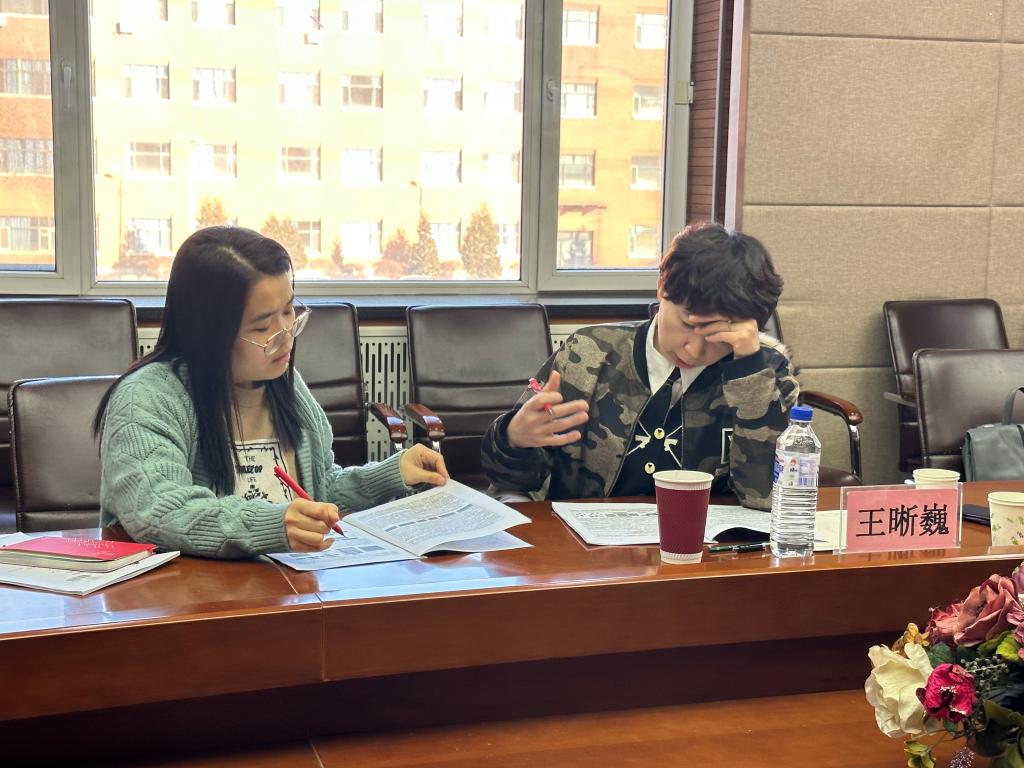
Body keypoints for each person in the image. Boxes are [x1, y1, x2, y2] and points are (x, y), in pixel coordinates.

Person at [95, 226, 448, 558]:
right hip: (192, 593)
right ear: (209, 332)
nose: (286, 336)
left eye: (289, 311)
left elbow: (318, 490)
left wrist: (390, 474)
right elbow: (160, 511)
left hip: (288, 586)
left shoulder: (284, 383)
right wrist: (271, 525)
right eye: (263, 326)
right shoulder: (147, 399)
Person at [481, 222, 799, 509]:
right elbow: (507, 479)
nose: (694, 350)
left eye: (719, 337)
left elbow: (766, 498)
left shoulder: (767, 372)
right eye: (689, 325)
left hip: (703, 547)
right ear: (662, 286)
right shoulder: (589, 352)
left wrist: (749, 373)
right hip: (585, 543)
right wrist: (513, 438)